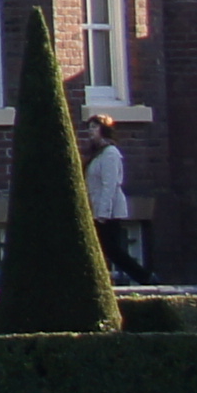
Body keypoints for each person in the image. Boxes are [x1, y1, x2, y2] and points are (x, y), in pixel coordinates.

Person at [80, 111, 139, 279]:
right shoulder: (97, 154)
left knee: (112, 250)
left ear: (104, 129)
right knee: (103, 249)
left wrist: (102, 214)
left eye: (95, 127)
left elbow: (109, 186)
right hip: (96, 210)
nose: (91, 131)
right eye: (90, 127)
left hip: (108, 213)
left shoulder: (110, 153)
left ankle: (144, 276)